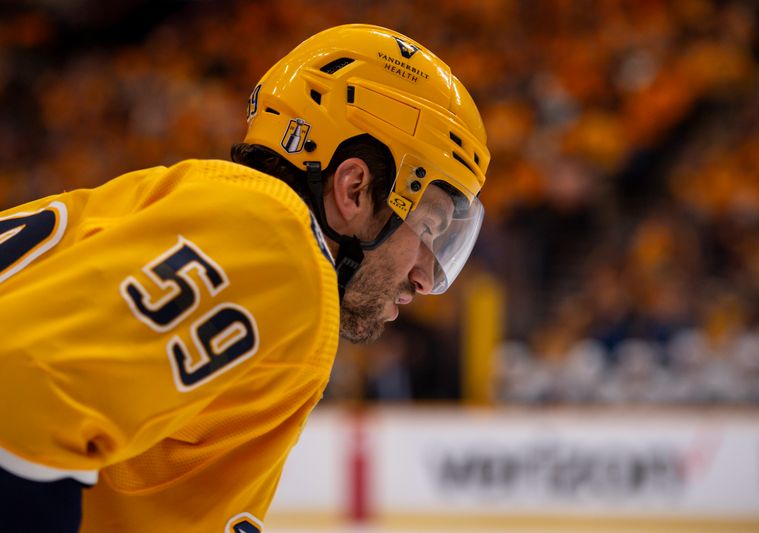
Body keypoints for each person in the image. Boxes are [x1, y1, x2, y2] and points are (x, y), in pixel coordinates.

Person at [0, 23, 489, 532]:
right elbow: (22, 388)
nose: (426, 277)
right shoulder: (278, 243)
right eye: (428, 228)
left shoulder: (203, 210)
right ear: (355, 188)